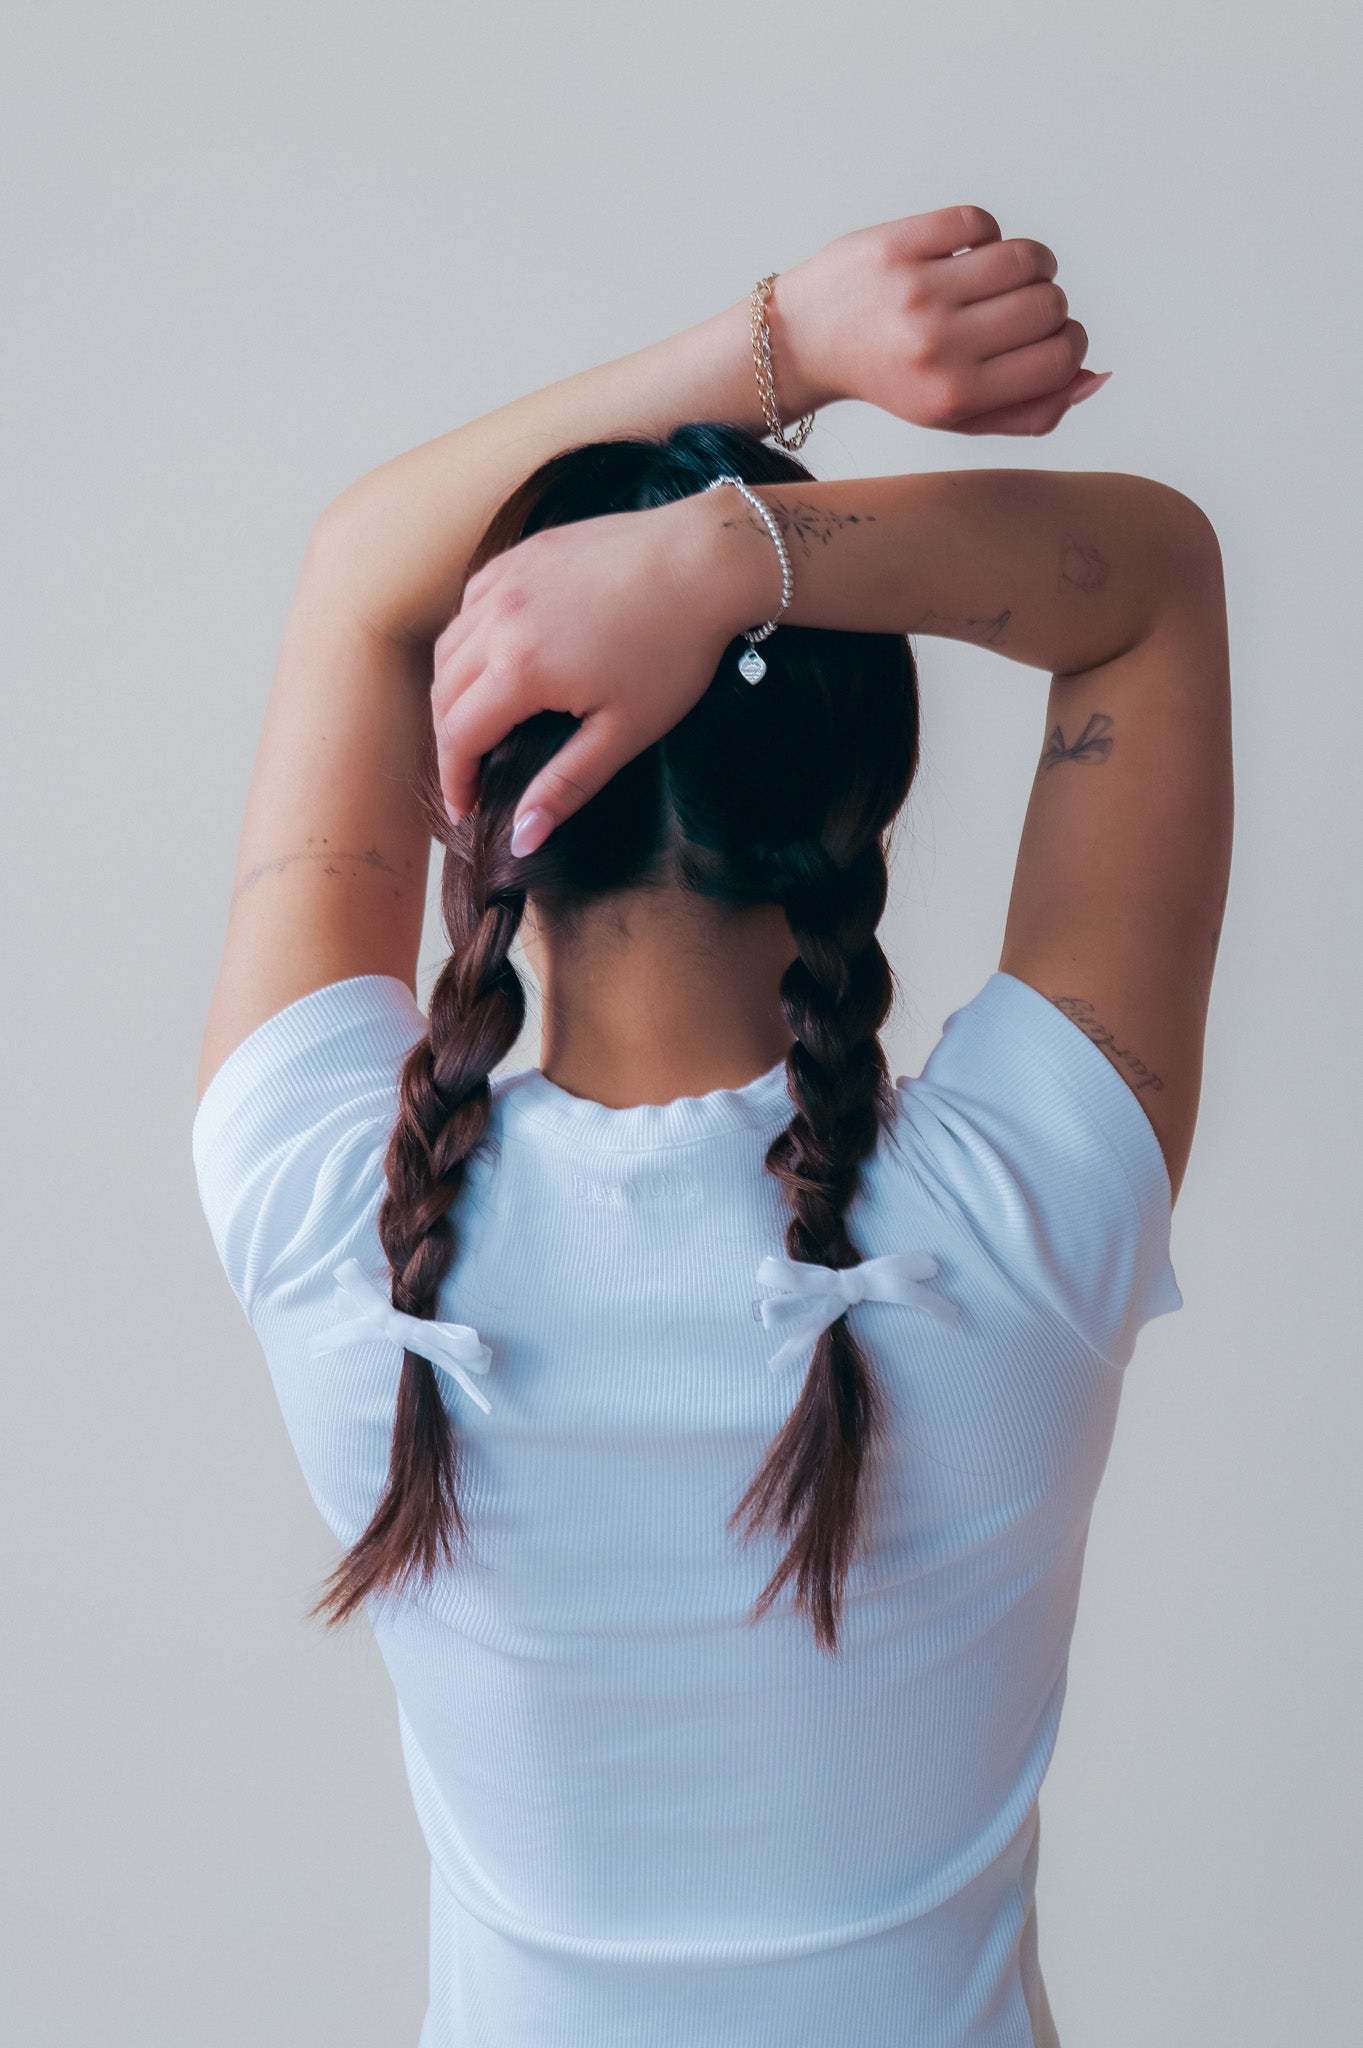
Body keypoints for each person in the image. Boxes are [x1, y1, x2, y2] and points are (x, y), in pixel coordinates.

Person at [192, 205, 1232, 2047]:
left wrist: (779, 347)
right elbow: (1149, 580)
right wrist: (730, 559)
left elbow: (360, 569)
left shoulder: (330, 1225)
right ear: (870, 788)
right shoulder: (1012, 1221)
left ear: (475, 800)